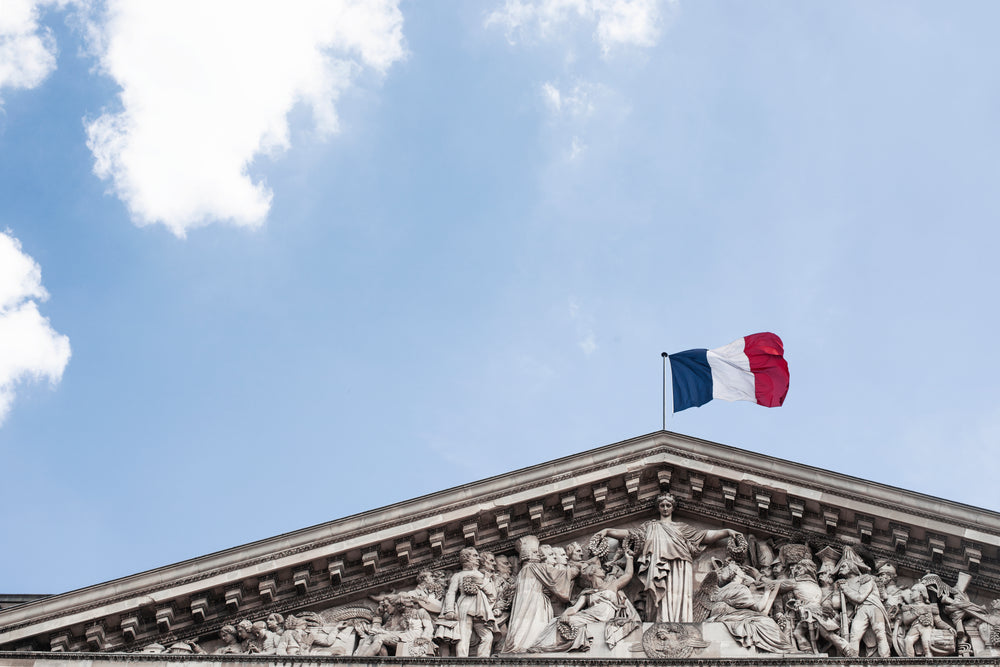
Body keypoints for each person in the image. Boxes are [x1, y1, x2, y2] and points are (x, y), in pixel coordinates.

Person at [598, 493, 741, 622]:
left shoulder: (682, 528)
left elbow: (704, 536)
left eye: (668, 505)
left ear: (672, 508)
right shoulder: (650, 527)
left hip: (680, 565)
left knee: (677, 595)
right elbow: (629, 534)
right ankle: (660, 621)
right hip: (657, 564)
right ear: (658, 508)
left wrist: (726, 531)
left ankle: (681, 621)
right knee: (659, 598)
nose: (665, 508)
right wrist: (608, 531)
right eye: (662, 505)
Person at [528, 548, 641, 653]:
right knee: (557, 622)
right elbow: (575, 608)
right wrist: (565, 614)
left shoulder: (612, 585)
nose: (603, 571)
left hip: (605, 615)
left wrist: (629, 558)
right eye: (600, 569)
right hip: (589, 615)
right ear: (593, 573)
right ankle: (543, 647)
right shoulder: (587, 592)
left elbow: (628, 575)